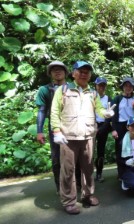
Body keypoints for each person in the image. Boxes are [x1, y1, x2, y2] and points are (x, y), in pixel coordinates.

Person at [50, 61, 115, 214]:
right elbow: (54, 112)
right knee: (68, 170)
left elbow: (98, 108)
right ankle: (69, 201)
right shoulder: (63, 89)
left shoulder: (92, 93)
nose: (84, 74)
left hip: (88, 136)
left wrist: (105, 114)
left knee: (87, 169)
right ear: (73, 73)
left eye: (87, 72)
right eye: (81, 71)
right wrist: (56, 131)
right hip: (68, 137)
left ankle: (88, 195)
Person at [35, 61, 80, 194]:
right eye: (53, 69)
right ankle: (60, 187)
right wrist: (39, 131)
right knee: (56, 159)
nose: (57, 71)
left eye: (60, 69)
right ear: (50, 73)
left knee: (76, 157)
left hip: (73, 126)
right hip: (55, 128)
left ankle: (77, 184)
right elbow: (42, 110)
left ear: (66, 72)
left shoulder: (74, 87)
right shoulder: (45, 90)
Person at [111, 77, 134, 179]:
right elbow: (113, 115)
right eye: (126, 86)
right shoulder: (117, 99)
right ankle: (121, 173)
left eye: (130, 86)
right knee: (120, 149)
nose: (128, 88)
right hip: (120, 125)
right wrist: (114, 129)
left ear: (133, 88)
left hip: (132, 125)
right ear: (123, 87)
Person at [94, 77, 112, 182]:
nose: (101, 87)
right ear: (95, 86)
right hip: (91, 126)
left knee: (101, 151)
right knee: (87, 152)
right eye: (99, 85)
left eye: (103, 85)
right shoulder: (91, 97)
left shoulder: (108, 99)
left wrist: (103, 128)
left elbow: (110, 115)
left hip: (103, 127)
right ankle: (84, 175)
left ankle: (99, 173)